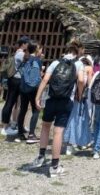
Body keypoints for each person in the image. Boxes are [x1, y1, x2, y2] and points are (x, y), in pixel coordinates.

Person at [31, 42, 85, 178]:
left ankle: (41, 157)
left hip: (51, 98)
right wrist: (79, 93)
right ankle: (54, 166)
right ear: (78, 51)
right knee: (58, 132)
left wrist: (38, 97)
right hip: (66, 100)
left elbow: (45, 80)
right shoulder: (79, 64)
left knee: (45, 127)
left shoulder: (55, 63)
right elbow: (81, 81)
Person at [63, 52, 93, 155]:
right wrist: (80, 94)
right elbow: (89, 84)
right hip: (80, 97)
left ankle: (68, 143)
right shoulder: (88, 68)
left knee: (69, 119)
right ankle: (75, 143)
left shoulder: (74, 67)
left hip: (69, 96)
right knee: (78, 120)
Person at [0, 36, 30, 136]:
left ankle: (9, 124)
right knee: (10, 102)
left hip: (13, 79)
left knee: (12, 102)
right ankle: (4, 127)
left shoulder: (17, 52)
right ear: (24, 44)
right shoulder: (21, 53)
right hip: (16, 80)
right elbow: (27, 64)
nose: (28, 45)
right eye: (27, 43)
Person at [15, 42, 43, 143]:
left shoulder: (25, 58)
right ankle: (31, 135)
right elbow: (39, 76)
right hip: (33, 88)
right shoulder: (37, 60)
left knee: (23, 109)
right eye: (40, 49)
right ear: (36, 50)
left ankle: (19, 134)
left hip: (23, 86)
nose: (41, 51)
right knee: (36, 110)